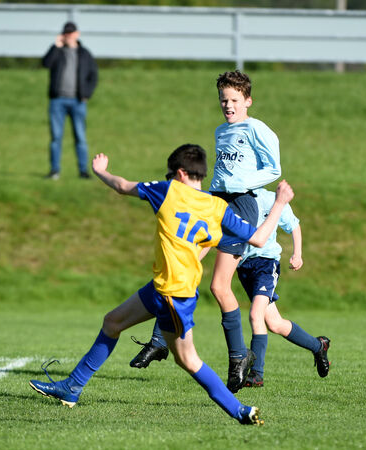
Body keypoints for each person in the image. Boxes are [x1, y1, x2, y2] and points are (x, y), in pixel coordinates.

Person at [29, 144, 295, 425]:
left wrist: (100, 171)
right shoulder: (217, 206)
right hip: (164, 288)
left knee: (188, 360)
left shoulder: (169, 191)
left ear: (180, 173)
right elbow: (258, 238)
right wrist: (278, 204)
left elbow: (121, 186)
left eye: (170, 174)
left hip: (174, 295)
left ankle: (240, 410)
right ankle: (72, 387)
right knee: (112, 322)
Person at [129, 70, 281, 394]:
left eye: (234, 100)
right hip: (215, 202)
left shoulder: (257, 129)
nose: (228, 105)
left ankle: (239, 356)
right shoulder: (220, 131)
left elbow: (274, 168)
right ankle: (159, 341)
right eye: (224, 100)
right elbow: (223, 174)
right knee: (184, 265)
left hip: (240, 206)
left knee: (219, 286)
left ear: (247, 101)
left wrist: (243, 185)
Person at [235, 188, 330, 387]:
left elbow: (294, 225)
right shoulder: (234, 197)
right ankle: (318, 345)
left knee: (255, 315)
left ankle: (257, 373)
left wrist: (298, 254)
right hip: (244, 267)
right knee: (275, 323)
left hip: (266, 264)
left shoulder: (271, 198)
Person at [42, 22, 99, 180]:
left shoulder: (84, 54)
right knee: (56, 137)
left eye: (71, 33)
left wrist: (86, 94)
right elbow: (45, 63)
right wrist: (55, 46)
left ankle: (83, 171)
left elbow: (93, 76)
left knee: (80, 137)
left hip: (78, 101)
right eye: (65, 33)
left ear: (77, 34)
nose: (68, 36)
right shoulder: (58, 52)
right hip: (57, 100)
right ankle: (54, 170)